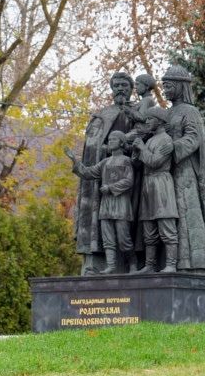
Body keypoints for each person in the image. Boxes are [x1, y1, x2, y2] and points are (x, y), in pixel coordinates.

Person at [71, 72, 136, 274]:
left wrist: (126, 141)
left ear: (131, 88)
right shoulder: (102, 114)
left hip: (129, 177)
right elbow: (91, 144)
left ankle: (132, 264)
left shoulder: (137, 112)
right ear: (111, 88)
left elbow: (144, 133)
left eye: (124, 85)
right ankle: (99, 262)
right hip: (102, 175)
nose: (120, 88)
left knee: (125, 231)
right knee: (102, 225)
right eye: (116, 85)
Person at [161, 64, 205, 273]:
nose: (165, 90)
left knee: (188, 215)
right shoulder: (167, 113)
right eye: (163, 86)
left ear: (180, 86)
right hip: (165, 171)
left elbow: (193, 138)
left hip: (184, 171)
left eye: (168, 86)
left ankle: (194, 263)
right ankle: (170, 262)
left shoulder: (190, 111)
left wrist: (167, 148)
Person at [133, 106, 178, 273]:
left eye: (149, 119)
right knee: (148, 226)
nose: (147, 122)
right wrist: (136, 152)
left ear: (159, 121)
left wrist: (143, 149)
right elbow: (139, 164)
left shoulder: (165, 140)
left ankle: (171, 265)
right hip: (147, 183)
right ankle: (150, 265)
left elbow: (155, 162)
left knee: (166, 223)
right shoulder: (150, 140)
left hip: (161, 183)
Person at [96, 131, 136, 275]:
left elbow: (129, 181)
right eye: (110, 139)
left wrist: (111, 188)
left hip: (121, 204)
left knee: (123, 239)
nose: (110, 141)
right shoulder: (105, 162)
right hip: (106, 204)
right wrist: (76, 165)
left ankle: (132, 264)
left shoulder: (126, 160)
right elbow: (90, 172)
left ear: (121, 142)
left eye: (114, 139)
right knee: (108, 238)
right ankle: (111, 266)